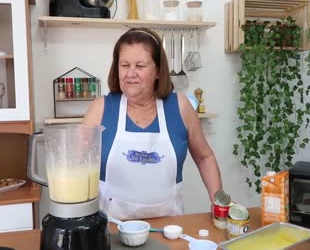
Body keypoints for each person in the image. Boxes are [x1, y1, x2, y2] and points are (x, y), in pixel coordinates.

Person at [82, 27, 222, 220]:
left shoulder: (180, 107)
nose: (130, 73)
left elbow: (204, 157)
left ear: (158, 71)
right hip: (110, 230)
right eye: (124, 65)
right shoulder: (100, 109)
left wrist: (219, 203)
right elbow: (77, 164)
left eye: (140, 66)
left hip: (169, 227)